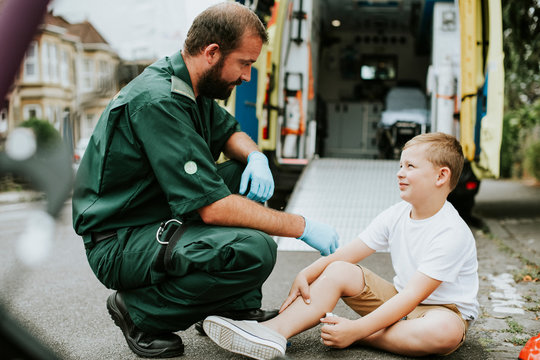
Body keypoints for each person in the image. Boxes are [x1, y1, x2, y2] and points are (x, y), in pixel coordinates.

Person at [71, 2, 339, 358]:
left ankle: (234, 305)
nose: (247, 77)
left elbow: (229, 132)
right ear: (212, 52)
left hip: (154, 213)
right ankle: (139, 312)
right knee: (254, 249)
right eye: (244, 64)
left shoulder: (189, 86)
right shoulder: (158, 101)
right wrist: (300, 226)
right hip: (120, 240)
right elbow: (212, 209)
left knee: (242, 173)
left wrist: (256, 157)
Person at [203, 132, 479, 359]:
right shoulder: (396, 214)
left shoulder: (451, 232)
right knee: (339, 269)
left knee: (445, 332)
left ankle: (362, 336)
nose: (400, 173)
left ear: (441, 176)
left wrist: (356, 330)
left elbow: (412, 298)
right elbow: (347, 254)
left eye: (410, 167)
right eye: (400, 165)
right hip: (397, 301)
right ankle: (272, 332)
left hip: (441, 311)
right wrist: (307, 273)